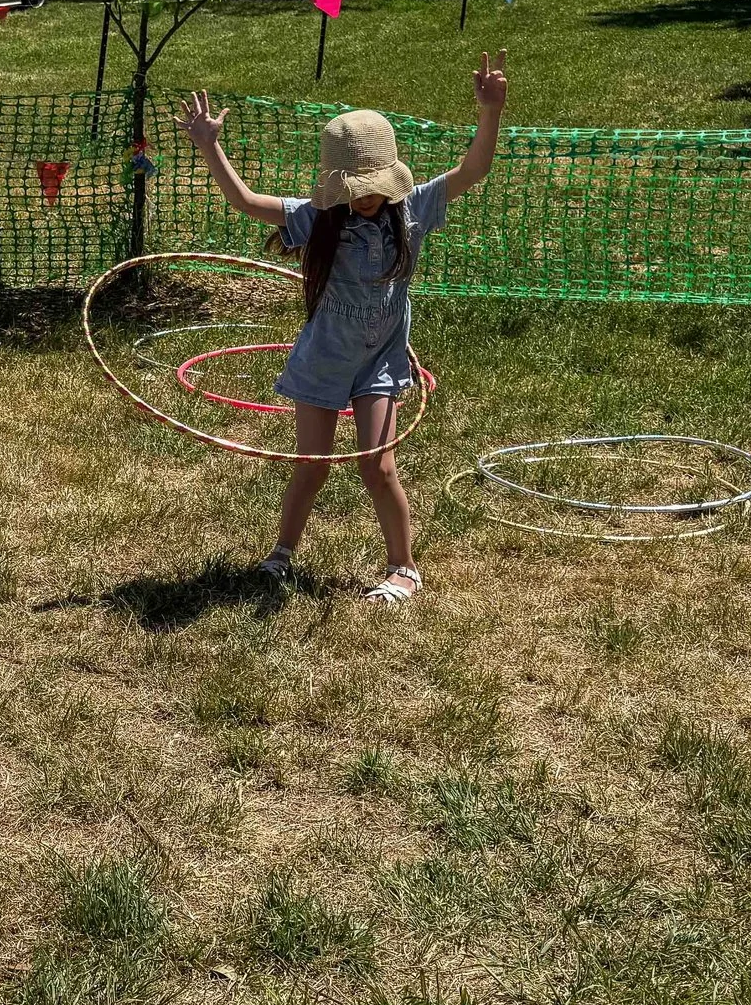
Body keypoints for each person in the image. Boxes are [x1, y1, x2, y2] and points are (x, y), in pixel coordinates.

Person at [176, 52, 508, 603]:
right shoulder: (319, 217)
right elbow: (246, 200)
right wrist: (211, 146)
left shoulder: (414, 211)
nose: (367, 196)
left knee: (377, 467)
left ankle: (403, 566)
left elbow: (474, 170)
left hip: (380, 361)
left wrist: (489, 113)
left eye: (374, 185)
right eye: (356, 187)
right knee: (310, 466)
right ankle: (281, 554)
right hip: (323, 359)